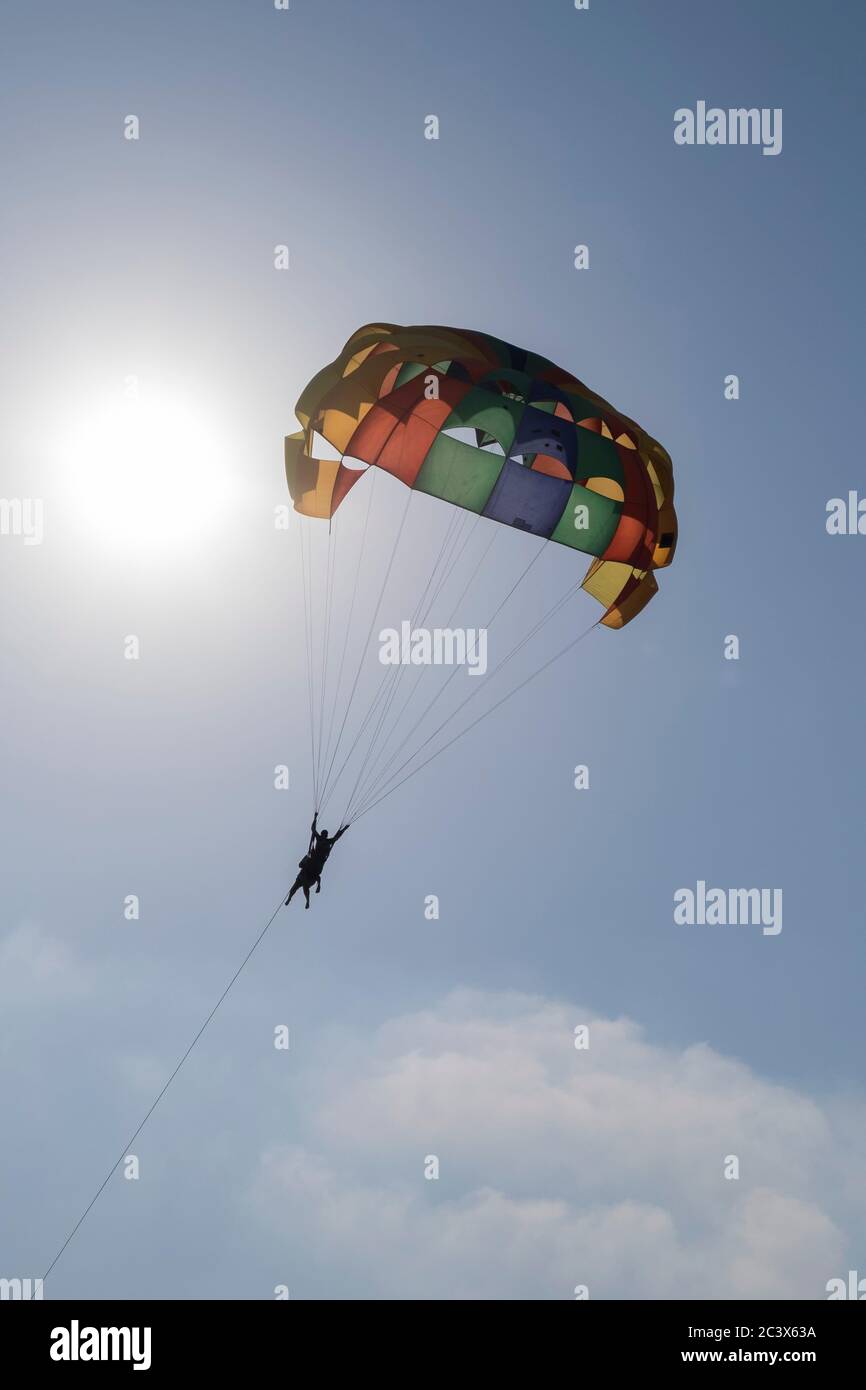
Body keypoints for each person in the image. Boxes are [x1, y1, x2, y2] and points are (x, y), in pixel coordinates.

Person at [285, 812, 349, 909]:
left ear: (326, 835)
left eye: (325, 834)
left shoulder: (329, 841)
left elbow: (337, 837)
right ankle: (289, 898)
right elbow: (313, 829)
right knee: (294, 888)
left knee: (305, 887)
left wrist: (344, 829)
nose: (323, 835)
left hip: (319, 861)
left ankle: (308, 900)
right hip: (313, 858)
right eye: (323, 834)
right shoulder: (319, 838)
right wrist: (315, 818)